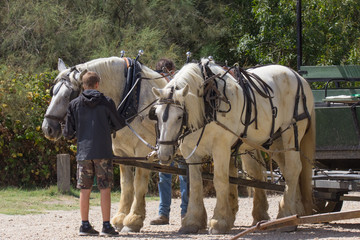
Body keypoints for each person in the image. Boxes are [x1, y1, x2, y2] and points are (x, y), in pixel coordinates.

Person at [63, 71, 124, 236]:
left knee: (84, 189)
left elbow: (68, 133)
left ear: (83, 85)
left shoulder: (74, 104)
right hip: (103, 151)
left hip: (83, 152)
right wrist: (106, 129)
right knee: (105, 188)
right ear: (97, 84)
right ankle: (106, 225)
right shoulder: (107, 102)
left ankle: (84, 225)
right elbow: (118, 124)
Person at [150, 59, 189, 225]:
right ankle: (163, 213)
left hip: (181, 140)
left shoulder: (181, 89)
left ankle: (186, 213)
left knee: (184, 177)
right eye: (164, 73)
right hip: (165, 141)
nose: (167, 76)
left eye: (168, 72)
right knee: (164, 176)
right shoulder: (160, 92)